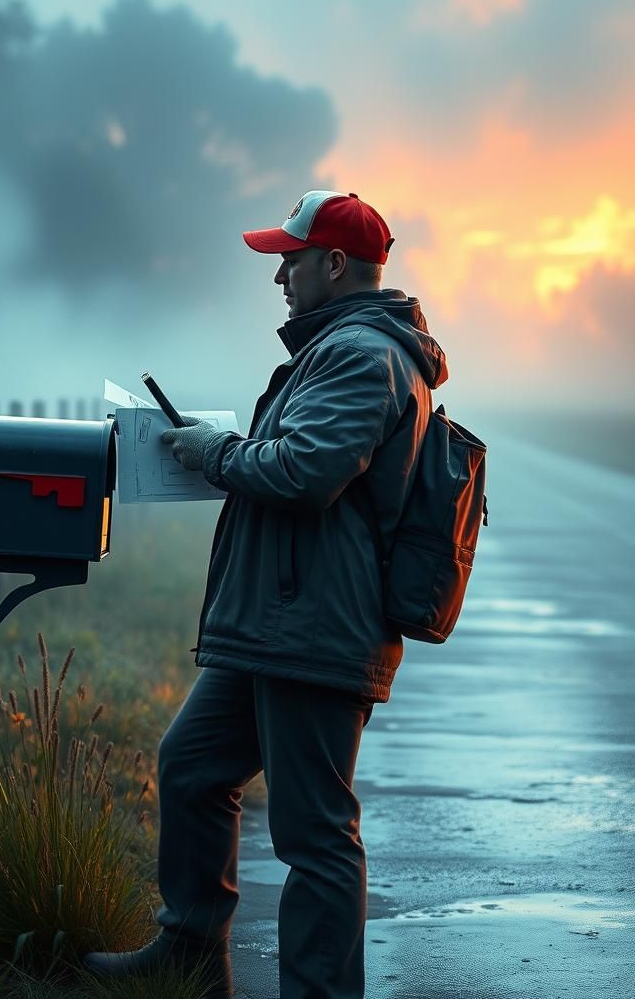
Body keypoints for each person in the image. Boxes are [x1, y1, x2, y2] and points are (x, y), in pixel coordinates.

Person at [82, 190, 449, 999]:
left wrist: (215, 452)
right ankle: (188, 952)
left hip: (315, 628)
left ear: (334, 264)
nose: (278, 274)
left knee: (313, 834)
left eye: (288, 257)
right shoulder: (343, 347)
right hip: (277, 622)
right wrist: (226, 453)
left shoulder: (362, 354)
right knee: (191, 766)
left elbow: (305, 472)